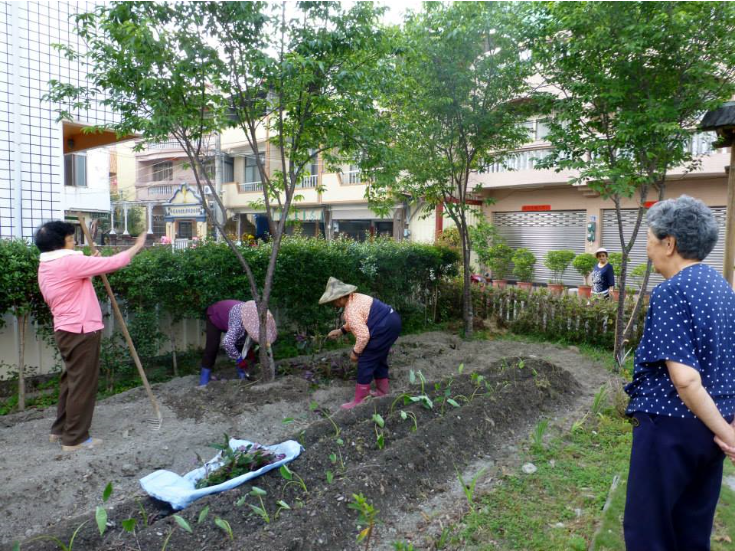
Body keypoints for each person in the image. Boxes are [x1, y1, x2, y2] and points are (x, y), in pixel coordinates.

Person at [623, 195, 735, 550]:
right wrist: (727, 428)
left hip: (670, 430)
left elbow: (685, 379)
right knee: (691, 528)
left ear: (669, 243)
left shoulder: (672, 292)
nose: (647, 250)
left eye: (650, 241)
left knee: (649, 530)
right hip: (714, 429)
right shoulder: (723, 289)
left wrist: (730, 437)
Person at [35, 221, 147, 452]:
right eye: (70, 237)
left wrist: (91, 264)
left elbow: (72, 285)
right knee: (83, 384)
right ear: (61, 242)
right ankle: (74, 439)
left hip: (67, 329)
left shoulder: (47, 264)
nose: (74, 241)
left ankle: (61, 429)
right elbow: (114, 262)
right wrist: (137, 246)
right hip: (82, 330)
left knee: (72, 381)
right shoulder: (69, 261)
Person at [320, 277, 402, 409]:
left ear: (340, 298)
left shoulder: (350, 310)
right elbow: (359, 320)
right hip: (392, 321)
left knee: (366, 360)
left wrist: (355, 353)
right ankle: (382, 392)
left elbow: (363, 336)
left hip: (384, 327)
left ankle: (360, 400)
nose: (333, 304)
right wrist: (341, 330)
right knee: (378, 357)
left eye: (333, 301)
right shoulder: (355, 298)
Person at [198, 300, 277, 386]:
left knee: (240, 343)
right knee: (212, 347)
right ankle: (204, 379)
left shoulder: (256, 319)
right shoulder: (238, 324)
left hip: (231, 318)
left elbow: (245, 341)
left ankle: (242, 376)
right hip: (216, 314)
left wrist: (249, 353)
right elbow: (227, 343)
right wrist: (239, 360)